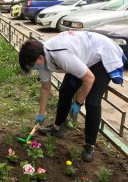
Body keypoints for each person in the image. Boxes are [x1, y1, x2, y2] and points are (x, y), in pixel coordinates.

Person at [19, 31, 126, 162]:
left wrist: (78, 102)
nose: (33, 68)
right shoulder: (42, 60)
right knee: (65, 90)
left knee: (92, 102)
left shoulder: (60, 55)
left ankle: (89, 145)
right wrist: (41, 113)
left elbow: (89, 78)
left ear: (40, 58)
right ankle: (57, 128)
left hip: (101, 57)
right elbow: (46, 88)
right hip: (81, 57)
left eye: (31, 65)